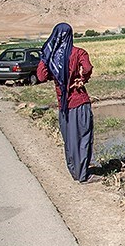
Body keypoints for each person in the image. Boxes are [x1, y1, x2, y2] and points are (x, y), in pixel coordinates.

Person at [37, 22, 96, 183]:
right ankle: (83, 174)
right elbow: (88, 67)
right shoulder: (78, 52)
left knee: (69, 139)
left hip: (63, 106)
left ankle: (74, 172)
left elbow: (41, 76)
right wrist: (82, 79)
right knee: (83, 137)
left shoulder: (50, 56)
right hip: (79, 101)